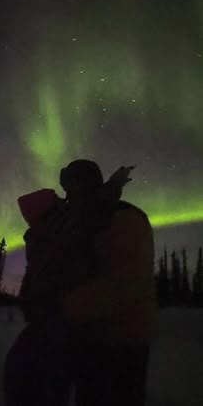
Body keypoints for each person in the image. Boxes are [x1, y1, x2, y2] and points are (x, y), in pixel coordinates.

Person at [3, 161, 134, 406]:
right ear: (49, 212)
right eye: (58, 200)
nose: (65, 201)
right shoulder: (59, 230)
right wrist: (114, 185)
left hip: (46, 322)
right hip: (58, 325)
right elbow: (91, 212)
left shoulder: (41, 234)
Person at [60, 160, 157, 406]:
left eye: (71, 188)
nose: (68, 196)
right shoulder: (93, 219)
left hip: (120, 347)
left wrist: (63, 308)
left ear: (84, 186)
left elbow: (121, 286)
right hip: (96, 344)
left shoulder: (121, 219)